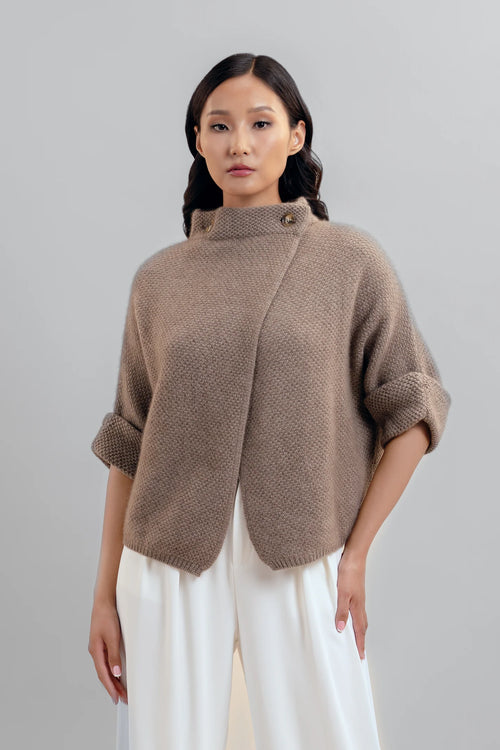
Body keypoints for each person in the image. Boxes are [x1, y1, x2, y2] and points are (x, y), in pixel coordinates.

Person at [88, 52, 451, 750]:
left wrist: (354, 556)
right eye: (219, 126)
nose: (240, 144)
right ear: (199, 141)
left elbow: (413, 410)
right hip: (167, 561)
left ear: (296, 135)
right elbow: (129, 443)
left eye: (260, 123)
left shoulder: (348, 261)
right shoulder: (159, 280)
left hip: (300, 553)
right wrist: (104, 595)